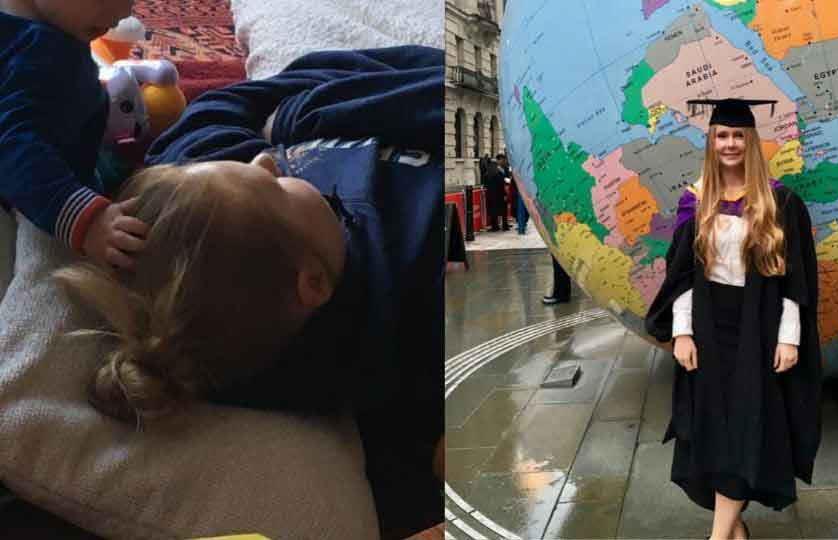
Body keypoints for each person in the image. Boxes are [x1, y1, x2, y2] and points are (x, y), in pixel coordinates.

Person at [64, 47, 445, 539]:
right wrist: (305, 112)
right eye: (277, 189)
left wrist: (299, 111)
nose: (264, 162)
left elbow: (214, 110)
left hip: (355, 92)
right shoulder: (411, 314)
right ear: (312, 284)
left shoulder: (203, 217)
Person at [644, 98, 822, 540]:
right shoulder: (695, 200)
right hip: (708, 325)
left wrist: (790, 338)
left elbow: (796, 281)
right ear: (711, 140)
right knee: (714, 428)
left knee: (746, 425)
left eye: (738, 135)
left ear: (751, 141)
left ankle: (719, 536)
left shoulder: (779, 200)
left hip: (759, 328)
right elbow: (683, 275)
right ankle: (733, 529)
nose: (730, 144)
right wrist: (681, 333)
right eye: (722, 135)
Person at [0, 0, 150, 277]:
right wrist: (89, 222)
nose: (123, 13)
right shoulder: (40, 53)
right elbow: (15, 150)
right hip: (26, 202)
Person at [498, 154, 527, 235]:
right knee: (519, 209)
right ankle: (521, 226)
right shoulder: (517, 169)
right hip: (519, 191)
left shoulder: (515, 170)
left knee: (520, 209)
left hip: (519, 192)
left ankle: (521, 227)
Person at [481, 157, 509, 231]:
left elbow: (485, 183)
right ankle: (505, 226)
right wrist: (505, 194)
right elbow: (502, 183)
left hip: (490, 194)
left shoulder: (488, 173)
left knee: (493, 211)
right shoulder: (498, 172)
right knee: (503, 210)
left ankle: (494, 226)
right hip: (499, 194)